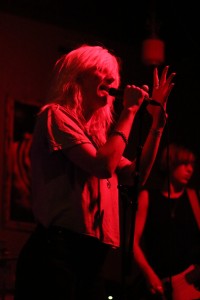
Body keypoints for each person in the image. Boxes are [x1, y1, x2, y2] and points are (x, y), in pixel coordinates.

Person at [14, 43, 175, 300]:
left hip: (90, 259)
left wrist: (157, 124)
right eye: (101, 71)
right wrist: (130, 111)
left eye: (114, 75)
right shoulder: (56, 116)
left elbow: (137, 176)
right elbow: (103, 167)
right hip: (57, 253)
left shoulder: (97, 139)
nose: (112, 79)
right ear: (77, 77)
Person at [133, 143, 200, 300]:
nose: (190, 169)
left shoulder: (195, 198)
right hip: (158, 285)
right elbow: (133, 243)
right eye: (184, 164)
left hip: (191, 286)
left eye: (192, 165)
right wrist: (149, 274)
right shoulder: (147, 197)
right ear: (170, 164)